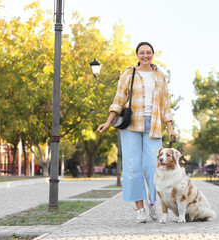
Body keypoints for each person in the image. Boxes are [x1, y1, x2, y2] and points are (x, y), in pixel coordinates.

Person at [97, 42, 177, 223]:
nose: (145, 55)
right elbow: (118, 100)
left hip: (154, 125)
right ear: (137, 55)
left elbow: (165, 104)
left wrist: (170, 127)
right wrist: (108, 122)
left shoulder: (160, 76)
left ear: (153, 54)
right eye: (142, 53)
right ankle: (140, 209)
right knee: (133, 168)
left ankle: (152, 203)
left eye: (148, 52)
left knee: (153, 168)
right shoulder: (128, 74)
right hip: (131, 125)